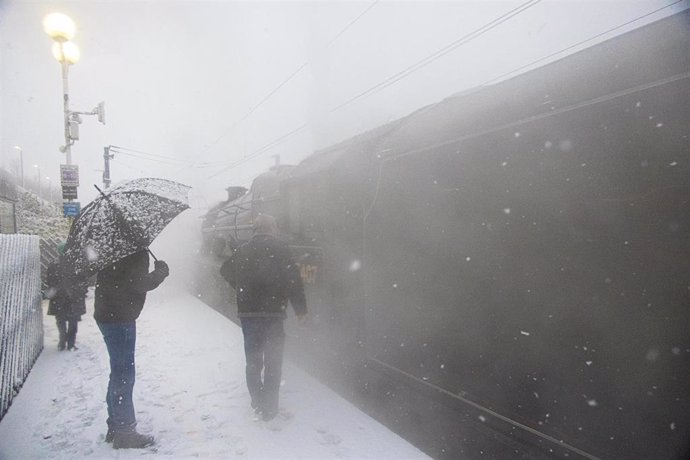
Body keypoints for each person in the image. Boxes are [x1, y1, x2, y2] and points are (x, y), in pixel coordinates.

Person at [220, 214, 307, 421]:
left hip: (249, 315)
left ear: (255, 229)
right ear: (272, 228)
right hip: (274, 313)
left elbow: (224, 270)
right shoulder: (281, 249)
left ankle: (257, 401)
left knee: (253, 360)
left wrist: (240, 287)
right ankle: (270, 407)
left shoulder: (242, 250)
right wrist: (300, 309)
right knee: (273, 361)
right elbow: (293, 280)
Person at [94, 250, 169, 449]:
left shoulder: (111, 249)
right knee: (124, 374)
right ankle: (125, 432)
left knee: (117, 371)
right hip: (120, 317)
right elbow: (139, 284)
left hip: (106, 313)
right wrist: (161, 272)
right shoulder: (134, 252)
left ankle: (115, 425)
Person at [45, 243, 87, 351]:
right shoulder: (76, 264)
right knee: (73, 321)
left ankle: (62, 341)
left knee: (60, 320)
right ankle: (71, 343)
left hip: (58, 298)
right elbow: (82, 280)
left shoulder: (53, 264)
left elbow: (49, 281)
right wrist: (81, 291)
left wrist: (56, 290)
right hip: (73, 297)